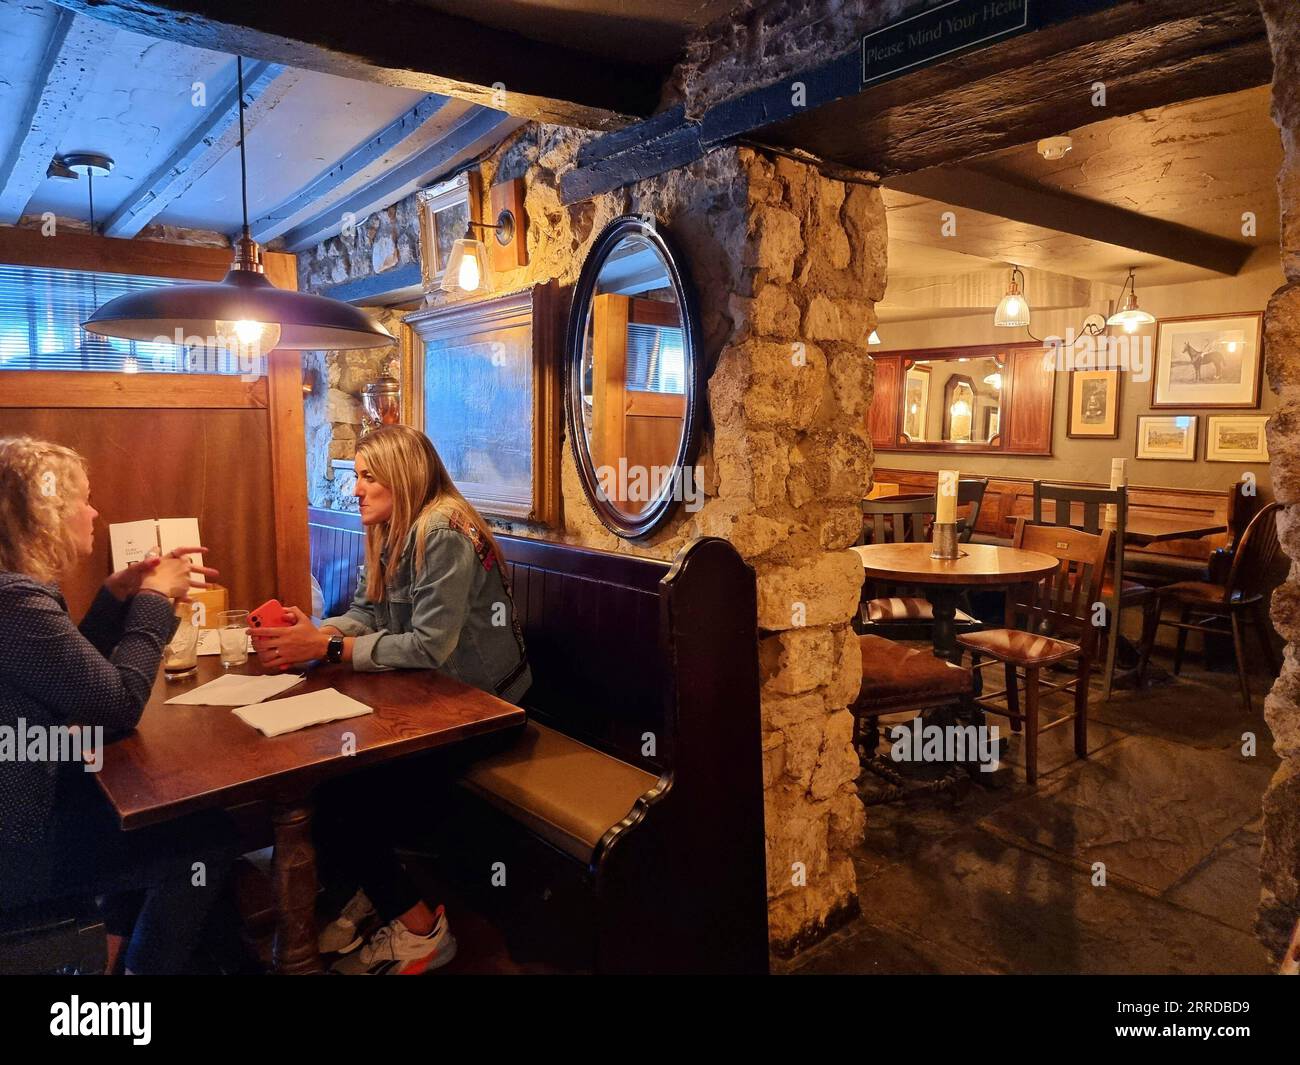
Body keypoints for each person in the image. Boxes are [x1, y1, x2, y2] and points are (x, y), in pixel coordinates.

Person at [249, 424, 530, 975]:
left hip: (486, 711)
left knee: (345, 800)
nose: (355, 489)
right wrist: (313, 632)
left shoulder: (442, 530)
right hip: (434, 700)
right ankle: (372, 895)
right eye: (356, 475)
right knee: (328, 781)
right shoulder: (391, 527)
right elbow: (371, 613)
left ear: (403, 478)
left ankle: (422, 931)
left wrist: (326, 646)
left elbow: (429, 645)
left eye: (367, 477)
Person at [0, 436, 235, 975]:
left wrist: (115, 595)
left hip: (32, 804)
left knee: (163, 813)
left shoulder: (16, 593)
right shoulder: (14, 602)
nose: (93, 512)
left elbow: (70, 678)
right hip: (18, 847)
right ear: (45, 513)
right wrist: (153, 602)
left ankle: (116, 955)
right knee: (207, 839)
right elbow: (118, 703)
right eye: (81, 500)